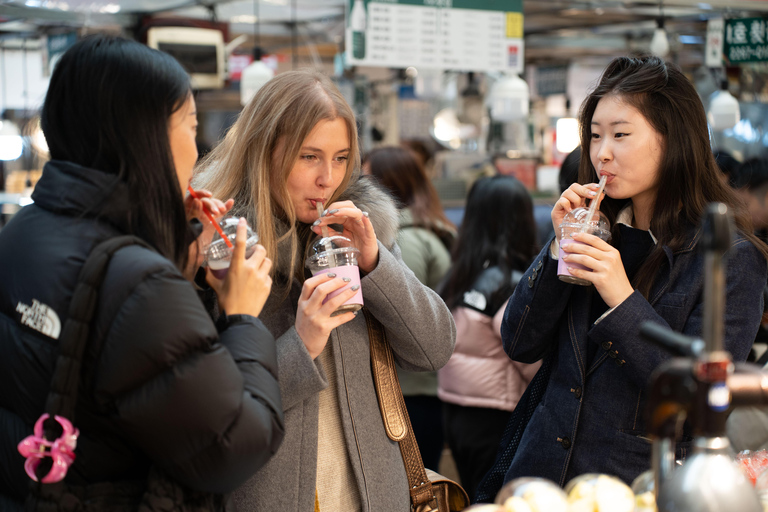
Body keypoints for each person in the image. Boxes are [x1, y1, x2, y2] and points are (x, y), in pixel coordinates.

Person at [0, 35, 284, 510]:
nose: (196, 150)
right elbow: (232, 449)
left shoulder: (24, 230)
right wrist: (241, 317)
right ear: (146, 136)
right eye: (190, 126)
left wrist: (170, 243)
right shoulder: (139, 281)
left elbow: (109, 357)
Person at [497, 54, 768, 488]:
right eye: (595, 135)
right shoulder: (597, 230)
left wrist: (620, 295)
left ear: (674, 139)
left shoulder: (729, 256)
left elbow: (699, 402)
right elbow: (518, 341)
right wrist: (556, 249)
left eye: (621, 135)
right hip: (541, 479)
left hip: (637, 486)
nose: (602, 153)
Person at [194, 70, 456, 512]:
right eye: (309, 156)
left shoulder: (356, 235)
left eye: (341, 157)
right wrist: (302, 344)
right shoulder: (222, 253)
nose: (327, 179)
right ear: (264, 152)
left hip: (373, 495)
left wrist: (377, 264)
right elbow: (213, 413)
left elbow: (434, 350)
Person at [437, 175, 541, 500]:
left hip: (454, 409)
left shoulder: (458, 274)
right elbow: (525, 354)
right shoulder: (509, 284)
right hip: (498, 415)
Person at [363, 145, 455, 471]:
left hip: (410, 389)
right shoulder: (432, 229)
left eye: (366, 179)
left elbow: (400, 311)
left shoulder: (407, 240)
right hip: (428, 387)